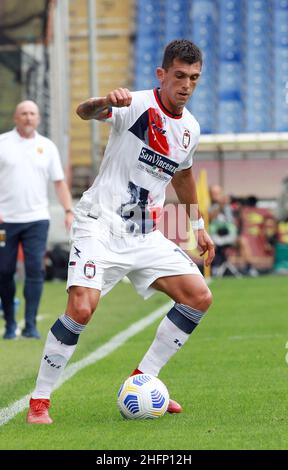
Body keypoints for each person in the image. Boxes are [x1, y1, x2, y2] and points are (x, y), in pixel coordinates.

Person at [27, 39, 215, 424]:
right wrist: (103, 102)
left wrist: (197, 225)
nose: (186, 86)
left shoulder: (190, 129)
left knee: (198, 297)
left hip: (144, 235)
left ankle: (144, 379)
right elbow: (84, 112)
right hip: (101, 224)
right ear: (161, 74)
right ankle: (39, 400)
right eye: (179, 76)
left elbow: (182, 176)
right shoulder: (134, 106)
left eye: (194, 79)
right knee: (81, 307)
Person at [0, 101, 74, 340]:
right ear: (16, 117)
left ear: (39, 118)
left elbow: (59, 182)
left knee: (35, 270)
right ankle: (10, 323)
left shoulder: (47, 147)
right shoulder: (3, 144)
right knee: (4, 271)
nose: (28, 117)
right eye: (23, 113)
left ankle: (30, 324)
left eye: (32, 113)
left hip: (37, 220)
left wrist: (68, 210)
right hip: (4, 221)